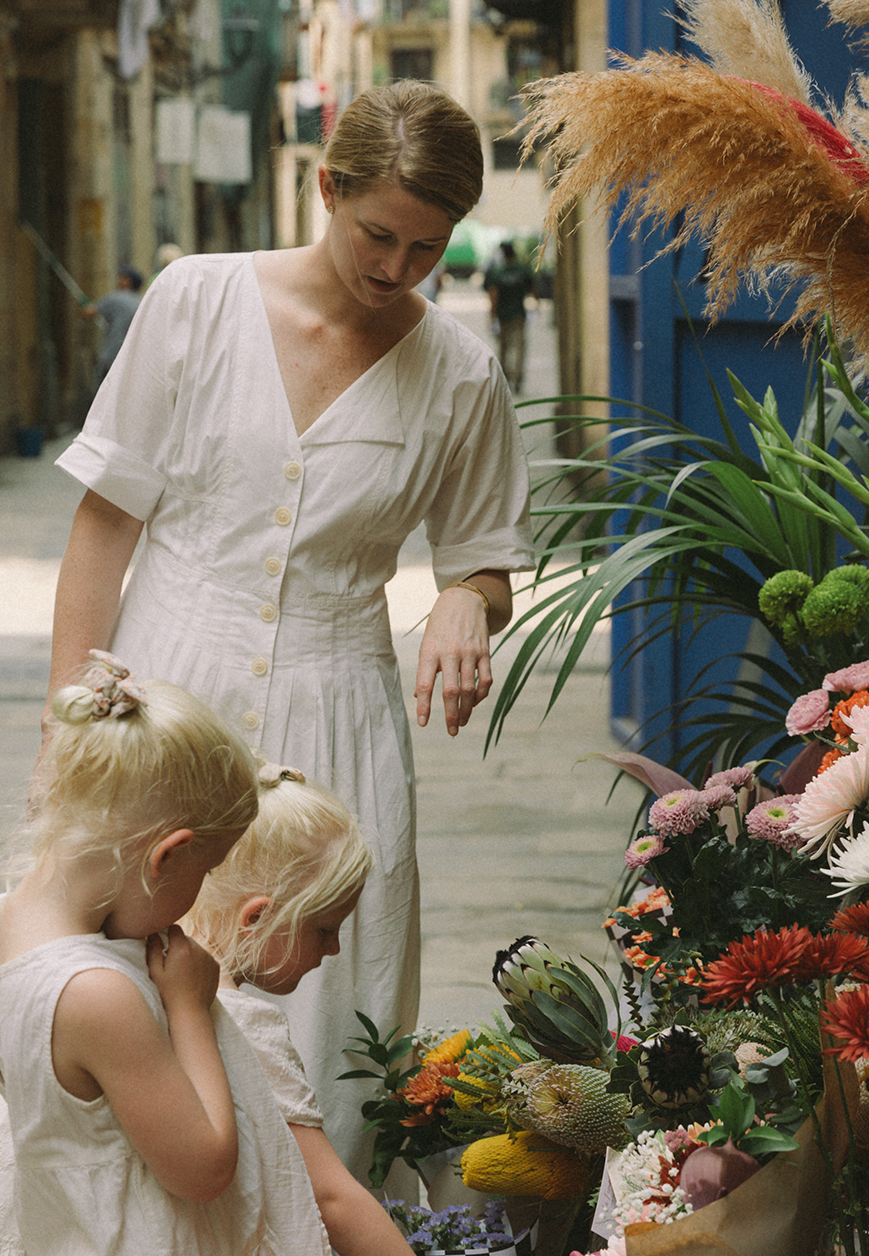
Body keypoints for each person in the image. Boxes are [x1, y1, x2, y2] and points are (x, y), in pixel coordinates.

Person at [45, 80, 535, 1186]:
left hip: (339, 720)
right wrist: (64, 725)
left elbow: (484, 555)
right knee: (123, 994)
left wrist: (468, 598)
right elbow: (105, 522)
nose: (398, 269)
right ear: (327, 186)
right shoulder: (195, 300)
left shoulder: (461, 372)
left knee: (334, 1021)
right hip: (166, 694)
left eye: (428, 248)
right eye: (378, 234)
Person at [0, 754, 466, 1256]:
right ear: (255, 918)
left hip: (28, 1227)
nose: (331, 953)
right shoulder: (232, 1018)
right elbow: (330, 1195)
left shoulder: (89, 957)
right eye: (324, 929)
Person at [0, 652, 334, 1256]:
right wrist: (191, 1007)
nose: (196, 900)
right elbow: (203, 1168)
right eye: (204, 872)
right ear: (167, 855)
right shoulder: (99, 995)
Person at [483, 240, 535, 392]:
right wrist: (536, 307)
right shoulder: (522, 269)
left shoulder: (498, 271)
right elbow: (532, 289)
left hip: (502, 316)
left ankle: (505, 379)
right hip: (519, 315)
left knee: (503, 349)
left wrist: (492, 317)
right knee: (519, 348)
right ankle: (518, 380)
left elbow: (493, 296)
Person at [81, 264, 144, 386]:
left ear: (128, 282)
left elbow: (88, 312)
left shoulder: (115, 298)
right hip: (133, 361)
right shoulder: (141, 301)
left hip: (112, 356)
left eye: (123, 277)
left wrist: (84, 303)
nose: (119, 280)